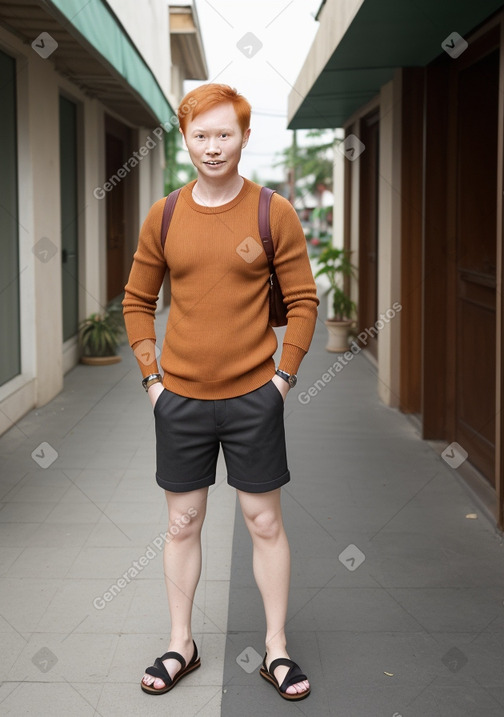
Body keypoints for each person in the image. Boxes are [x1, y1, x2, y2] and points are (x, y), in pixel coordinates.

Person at [122, 83, 318, 702]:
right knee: (182, 525)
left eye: (224, 134)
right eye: (200, 135)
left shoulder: (273, 212)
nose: (212, 147)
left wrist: (282, 380)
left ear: (244, 136)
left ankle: (277, 650)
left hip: (254, 396)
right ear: (185, 140)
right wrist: (153, 381)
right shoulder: (166, 215)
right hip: (178, 398)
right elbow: (135, 302)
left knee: (263, 522)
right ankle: (182, 643)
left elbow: (305, 302)